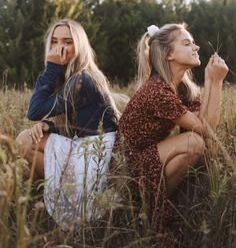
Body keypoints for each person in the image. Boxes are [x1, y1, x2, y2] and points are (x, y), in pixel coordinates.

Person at [113, 23, 228, 246]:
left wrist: (213, 82)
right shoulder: (157, 90)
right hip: (127, 167)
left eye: (193, 42)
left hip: (149, 158)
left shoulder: (181, 88)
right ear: (169, 54)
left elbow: (207, 127)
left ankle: (153, 206)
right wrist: (214, 80)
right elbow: (203, 130)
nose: (195, 47)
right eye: (186, 43)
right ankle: (150, 210)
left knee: (197, 145)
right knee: (193, 143)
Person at [16, 19, 126, 229]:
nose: (60, 48)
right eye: (54, 42)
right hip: (87, 151)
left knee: (23, 141)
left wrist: (51, 68)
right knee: (29, 142)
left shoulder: (82, 80)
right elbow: (83, 127)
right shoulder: (77, 78)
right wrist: (51, 126)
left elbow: (34, 111)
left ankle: (37, 209)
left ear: (80, 47)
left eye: (67, 41)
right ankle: (35, 205)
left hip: (94, 161)